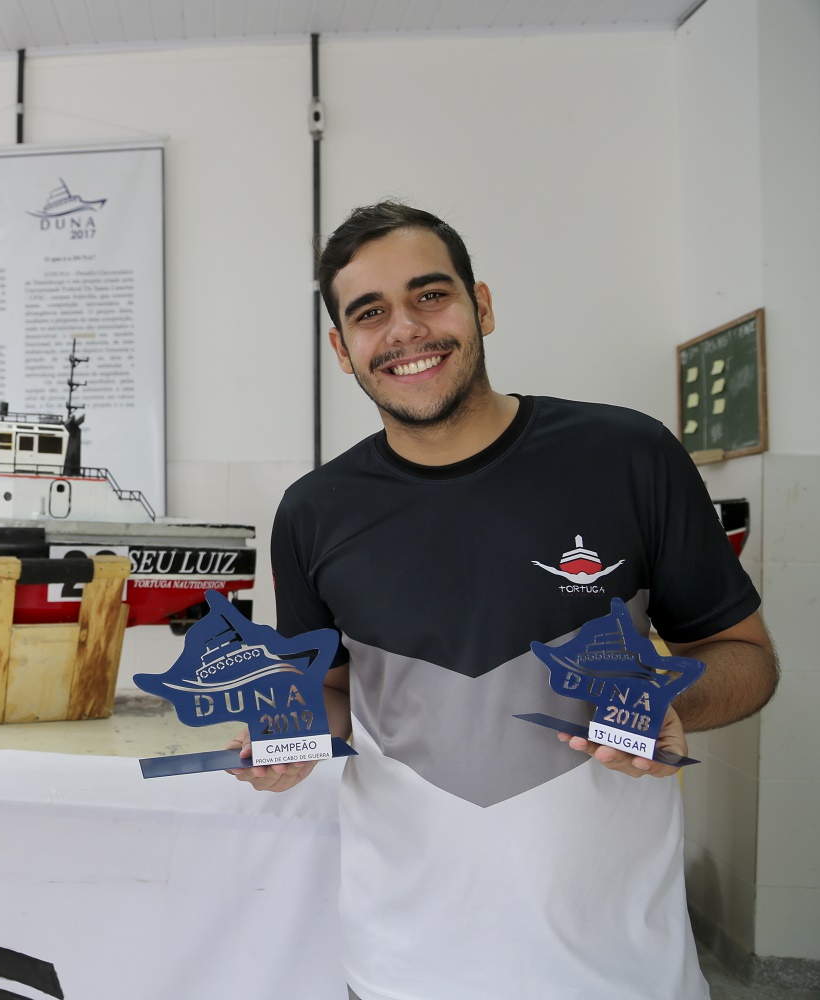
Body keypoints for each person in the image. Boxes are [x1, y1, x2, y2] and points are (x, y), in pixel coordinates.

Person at [231, 201, 778, 1000]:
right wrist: (293, 729)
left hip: (622, 970)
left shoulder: (630, 456)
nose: (407, 330)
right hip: (400, 969)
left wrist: (675, 704)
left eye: (430, 295)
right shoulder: (315, 512)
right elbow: (337, 684)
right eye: (370, 312)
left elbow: (748, 659)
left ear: (480, 304)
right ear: (342, 349)